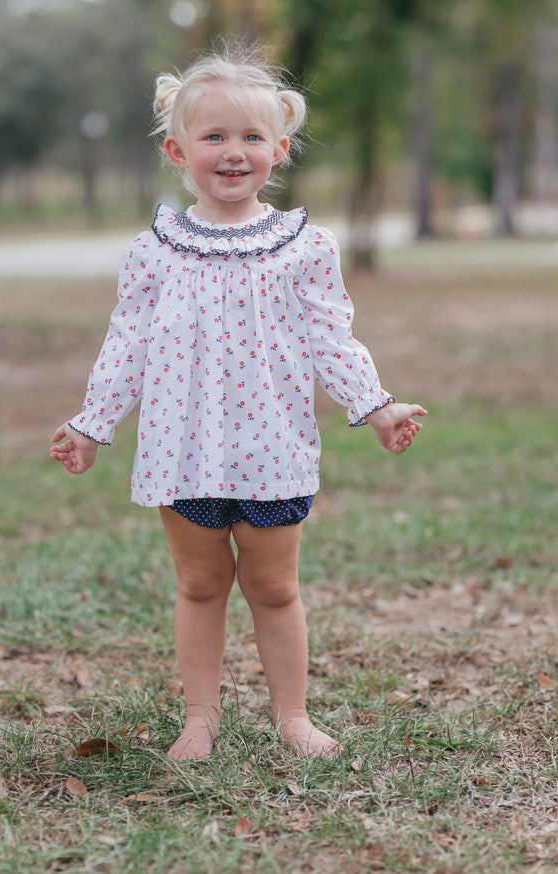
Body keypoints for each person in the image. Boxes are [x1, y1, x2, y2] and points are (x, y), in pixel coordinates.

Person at [50, 44, 427, 760]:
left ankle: (293, 716)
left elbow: (332, 339)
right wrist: (92, 424)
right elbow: (124, 343)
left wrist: (376, 406)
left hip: (270, 451)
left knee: (275, 588)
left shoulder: (303, 247)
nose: (233, 152)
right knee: (198, 584)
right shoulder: (154, 251)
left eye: (251, 137)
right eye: (214, 136)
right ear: (177, 149)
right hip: (182, 451)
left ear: (279, 148)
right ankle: (201, 718)